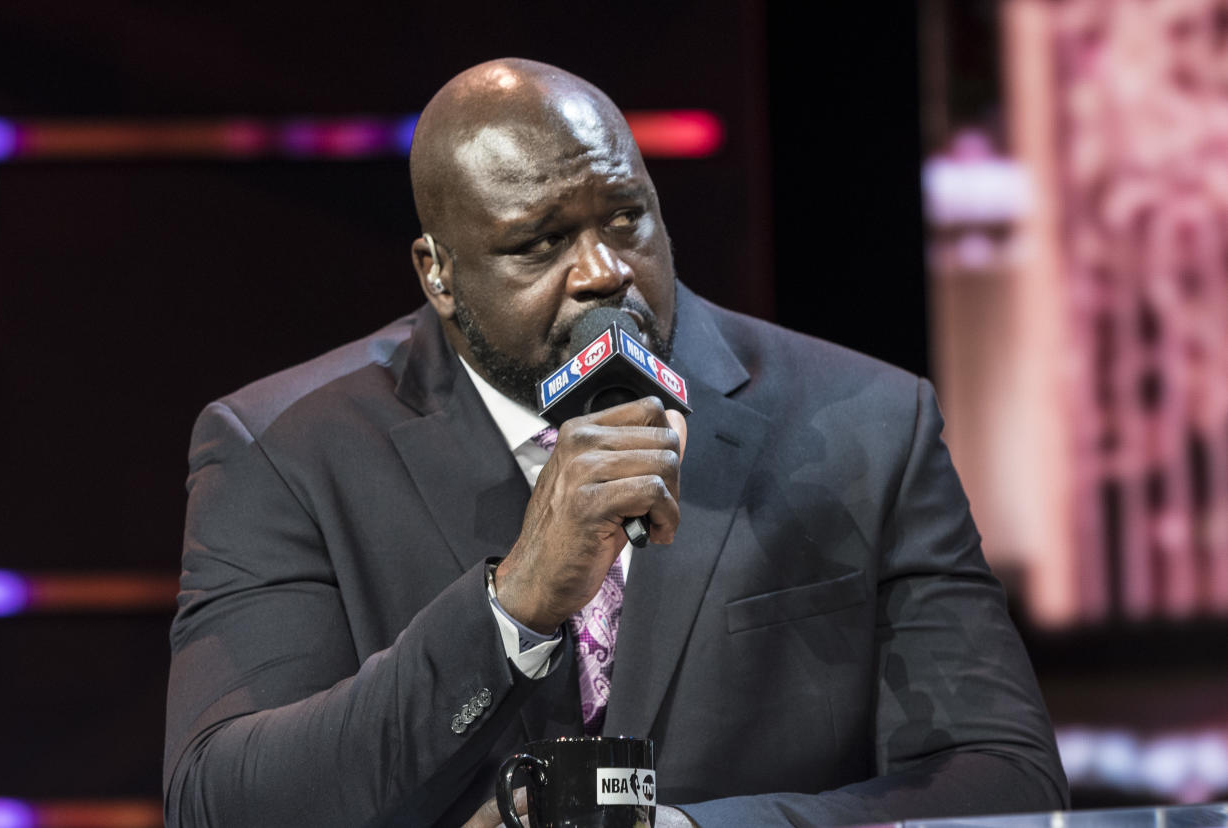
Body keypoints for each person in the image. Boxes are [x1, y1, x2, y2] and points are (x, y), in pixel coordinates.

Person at [163, 58, 1068, 827]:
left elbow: (1004, 779)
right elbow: (225, 801)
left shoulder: (867, 421)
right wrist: (513, 609)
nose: (603, 272)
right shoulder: (286, 450)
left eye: (625, 218)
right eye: (541, 243)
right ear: (439, 272)